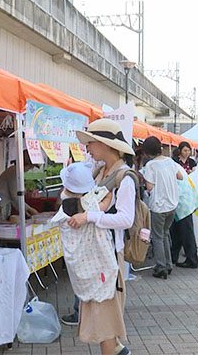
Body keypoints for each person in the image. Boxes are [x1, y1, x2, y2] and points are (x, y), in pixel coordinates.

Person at [69, 118, 136, 355]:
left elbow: (126, 219)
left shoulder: (124, 177)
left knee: (104, 315)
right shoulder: (100, 172)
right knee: (101, 314)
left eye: (91, 143)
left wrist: (89, 217)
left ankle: (116, 351)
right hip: (98, 254)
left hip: (109, 256)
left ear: (106, 144)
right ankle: (117, 350)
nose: (87, 148)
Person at [140, 136, 183, 279]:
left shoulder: (151, 166)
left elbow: (150, 186)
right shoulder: (170, 161)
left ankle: (161, 267)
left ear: (147, 151)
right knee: (165, 234)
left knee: (157, 237)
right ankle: (168, 263)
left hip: (159, 206)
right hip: (172, 204)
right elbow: (180, 176)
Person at [0, 149, 39, 221]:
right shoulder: (14, 172)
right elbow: (15, 196)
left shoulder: (15, 171)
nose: (31, 168)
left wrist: (26, 211)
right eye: (31, 166)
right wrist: (30, 209)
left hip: (4, 203)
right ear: (26, 163)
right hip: (1, 205)